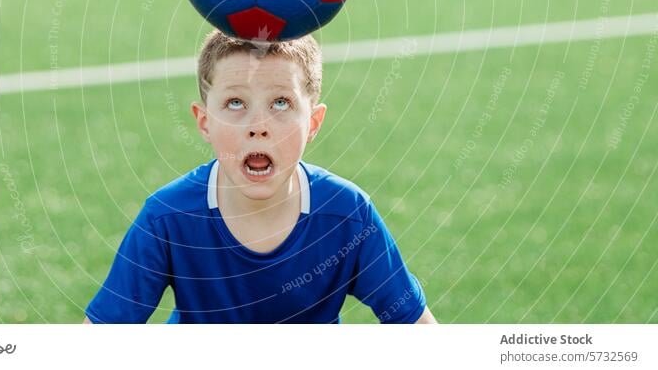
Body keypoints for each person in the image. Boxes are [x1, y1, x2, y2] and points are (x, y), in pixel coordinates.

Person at [84, 30, 436, 323]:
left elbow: (419, 329)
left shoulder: (346, 214)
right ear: (204, 121)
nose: (258, 127)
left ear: (312, 123)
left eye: (281, 103)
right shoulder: (168, 218)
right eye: (235, 103)